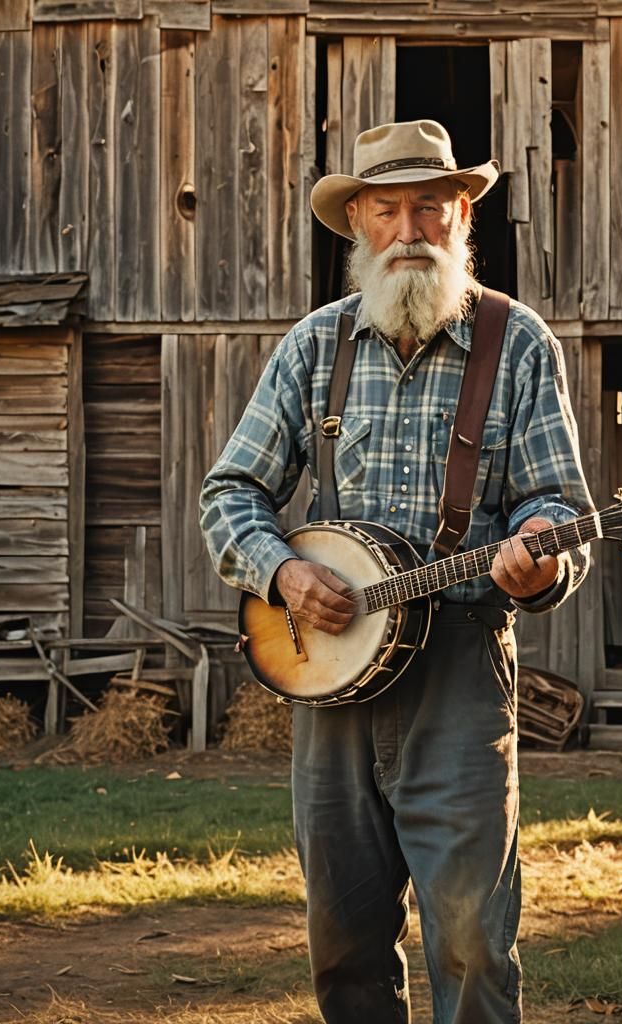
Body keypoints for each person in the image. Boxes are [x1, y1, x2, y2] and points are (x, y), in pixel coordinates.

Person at [200, 119, 594, 1024]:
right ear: (359, 226)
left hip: (458, 665)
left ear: (462, 216)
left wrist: (537, 567)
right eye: (388, 209)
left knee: (472, 941)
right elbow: (230, 493)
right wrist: (281, 576)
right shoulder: (315, 346)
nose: (411, 227)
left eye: (431, 205)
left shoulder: (518, 344)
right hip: (330, 675)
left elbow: (557, 510)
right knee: (342, 943)